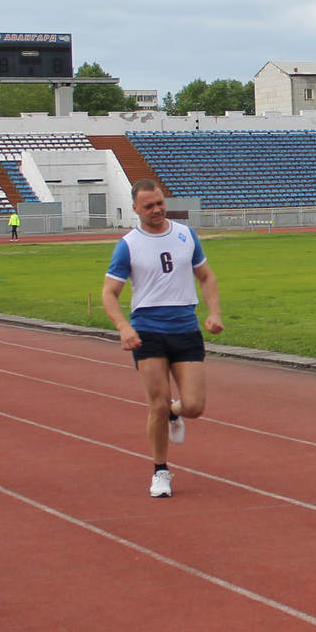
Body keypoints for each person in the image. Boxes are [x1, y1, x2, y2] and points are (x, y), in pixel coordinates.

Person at [100, 180, 223, 498]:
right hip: (148, 332)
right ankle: (160, 471)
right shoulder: (128, 245)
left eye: (159, 203)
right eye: (148, 206)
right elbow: (109, 294)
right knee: (156, 404)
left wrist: (214, 312)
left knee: (194, 406)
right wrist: (124, 327)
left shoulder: (185, 235)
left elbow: (206, 276)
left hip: (185, 328)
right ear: (135, 209)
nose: (156, 210)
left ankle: (175, 412)